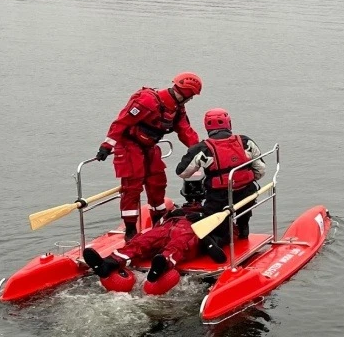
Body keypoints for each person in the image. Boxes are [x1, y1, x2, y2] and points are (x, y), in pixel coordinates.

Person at [95, 72, 202, 241]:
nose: (191, 99)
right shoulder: (147, 101)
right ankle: (131, 230)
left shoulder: (177, 109)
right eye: (192, 96)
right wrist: (107, 146)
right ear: (186, 93)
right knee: (133, 185)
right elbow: (122, 122)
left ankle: (158, 223)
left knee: (157, 182)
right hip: (129, 145)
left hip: (149, 146)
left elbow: (185, 131)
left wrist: (199, 150)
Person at [82, 200, 227, 290]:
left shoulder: (216, 218)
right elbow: (158, 224)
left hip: (190, 230)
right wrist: (171, 215)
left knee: (178, 245)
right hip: (167, 227)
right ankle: (109, 263)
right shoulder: (176, 212)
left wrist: (205, 231)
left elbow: (220, 254)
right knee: (143, 241)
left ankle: (163, 264)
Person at [175, 108, 265, 244]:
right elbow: (261, 169)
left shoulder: (202, 148)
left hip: (218, 198)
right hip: (246, 194)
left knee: (217, 225)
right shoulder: (246, 142)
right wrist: (247, 179)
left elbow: (182, 172)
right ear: (229, 123)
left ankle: (218, 239)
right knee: (245, 206)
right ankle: (243, 229)